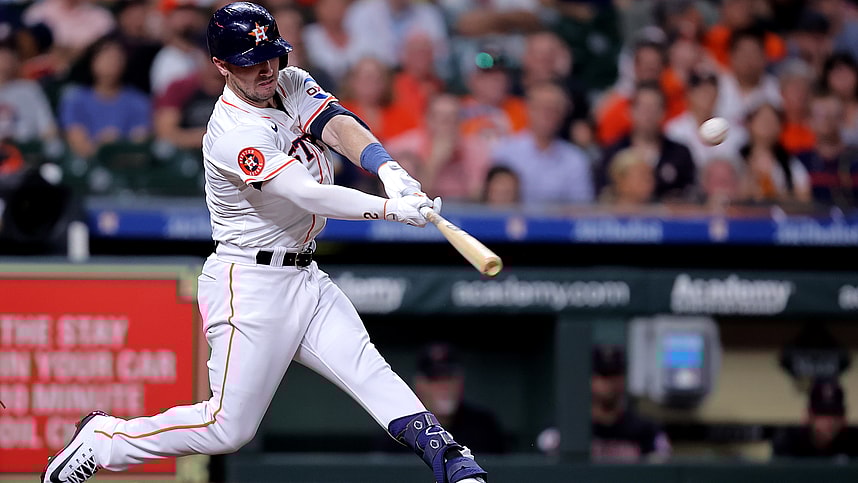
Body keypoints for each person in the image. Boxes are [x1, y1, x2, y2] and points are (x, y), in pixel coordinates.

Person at [41, 4, 489, 483]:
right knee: (226, 429)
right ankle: (106, 441)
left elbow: (336, 122)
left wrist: (386, 168)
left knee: (367, 369)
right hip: (248, 283)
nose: (266, 68)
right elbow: (303, 192)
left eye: (271, 55)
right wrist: (386, 207)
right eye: (250, 60)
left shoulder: (288, 80)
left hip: (304, 274)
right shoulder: (232, 132)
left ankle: (452, 462)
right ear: (221, 66)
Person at [537, 346, 671, 462]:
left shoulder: (646, 430)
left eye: (616, 374)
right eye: (603, 375)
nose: (610, 383)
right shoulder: (562, 431)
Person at [377, 343, 507, 454]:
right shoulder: (400, 431)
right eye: (435, 379)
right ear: (419, 384)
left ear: (460, 381)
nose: (443, 387)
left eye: (449, 378)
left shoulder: (483, 428)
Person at [772, 378, 858, 459]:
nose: (830, 421)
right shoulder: (789, 440)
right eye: (822, 413)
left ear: (844, 417)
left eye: (835, 413)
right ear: (808, 415)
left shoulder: (853, 441)